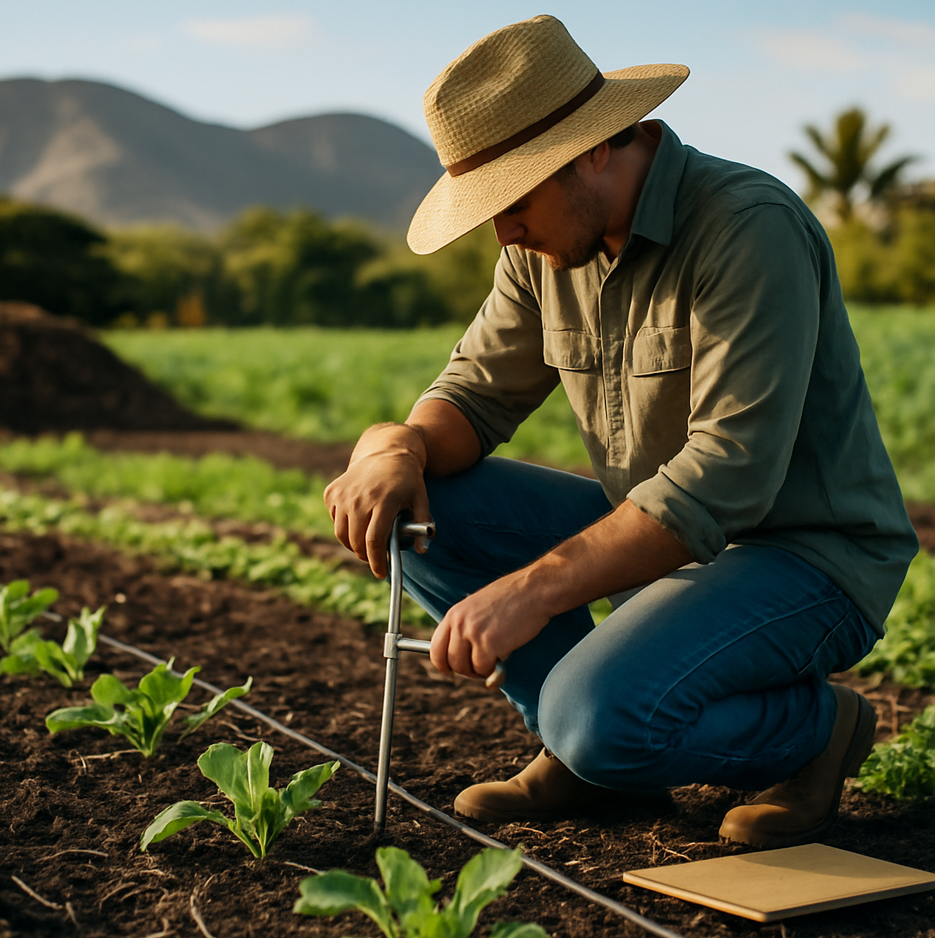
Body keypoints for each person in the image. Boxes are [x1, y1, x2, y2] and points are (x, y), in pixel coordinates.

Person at [324, 15, 918, 848]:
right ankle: (594, 767)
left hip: (802, 556)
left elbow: (728, 474)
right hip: (666, 549)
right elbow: (474, 395)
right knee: (431, 511)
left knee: (596, 717)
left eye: (513, 199)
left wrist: (531, 591)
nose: (503, 231)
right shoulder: (544, 249)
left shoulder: (747, 227)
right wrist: (395, 448)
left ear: (596, 147)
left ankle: (814, 734)